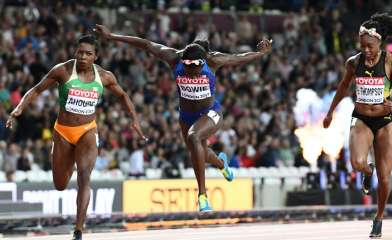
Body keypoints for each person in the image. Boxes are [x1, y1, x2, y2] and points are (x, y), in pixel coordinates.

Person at [94, 24, 272, 212]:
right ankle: (221, 163)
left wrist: (260, 53)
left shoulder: (213, 60)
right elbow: (146, 44)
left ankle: (202, 196)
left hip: (211, 113)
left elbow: (239, 58)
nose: (190, 69)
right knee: (200, 152)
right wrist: (112, 36)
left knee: (194, 137)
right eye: (186, 65)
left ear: (204, 61)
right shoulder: (174, 58)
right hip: (187, 116)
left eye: (195, 66)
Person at [6, 35, 147, 240]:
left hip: (87, 131)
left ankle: (78, 230)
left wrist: (134, 119)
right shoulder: (62, 71)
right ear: (75, 52)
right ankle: (69, 160)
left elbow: (123, 96)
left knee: (84, 177)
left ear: (95, 56)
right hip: (63, 132)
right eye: (80, 52)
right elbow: (36, 90)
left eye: (88, 54)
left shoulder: (104, 76)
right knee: (60, 185)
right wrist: (18, 109)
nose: (83, 56)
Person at [323, 13, 392, 238]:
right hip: (361, 118)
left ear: (379, 43)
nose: (366, 50)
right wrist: (330, 112)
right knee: (357, 162)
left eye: (370, 46)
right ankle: (366, 171)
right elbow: (343, 88)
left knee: (386, 177)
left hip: (384, 120)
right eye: (362, 46)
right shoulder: (354, 62)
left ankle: (379, 218)